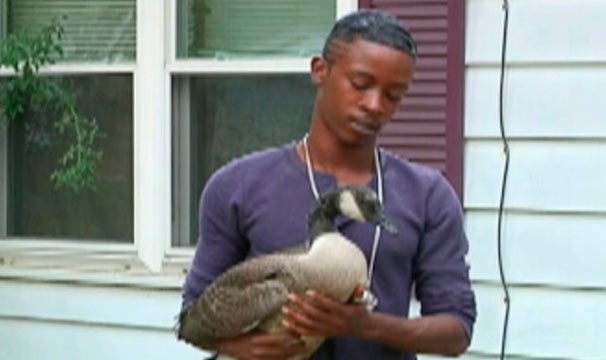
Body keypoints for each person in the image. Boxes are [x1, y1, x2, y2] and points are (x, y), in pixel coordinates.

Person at [181, 9, 476, 360]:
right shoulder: (239, 185)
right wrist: (240, 347)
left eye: (394, 94)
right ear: (320, 70)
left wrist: (365, 325)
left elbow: (456, 331)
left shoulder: (427, 195)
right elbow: (191, 319)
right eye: (361, 84)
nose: (375, 105)